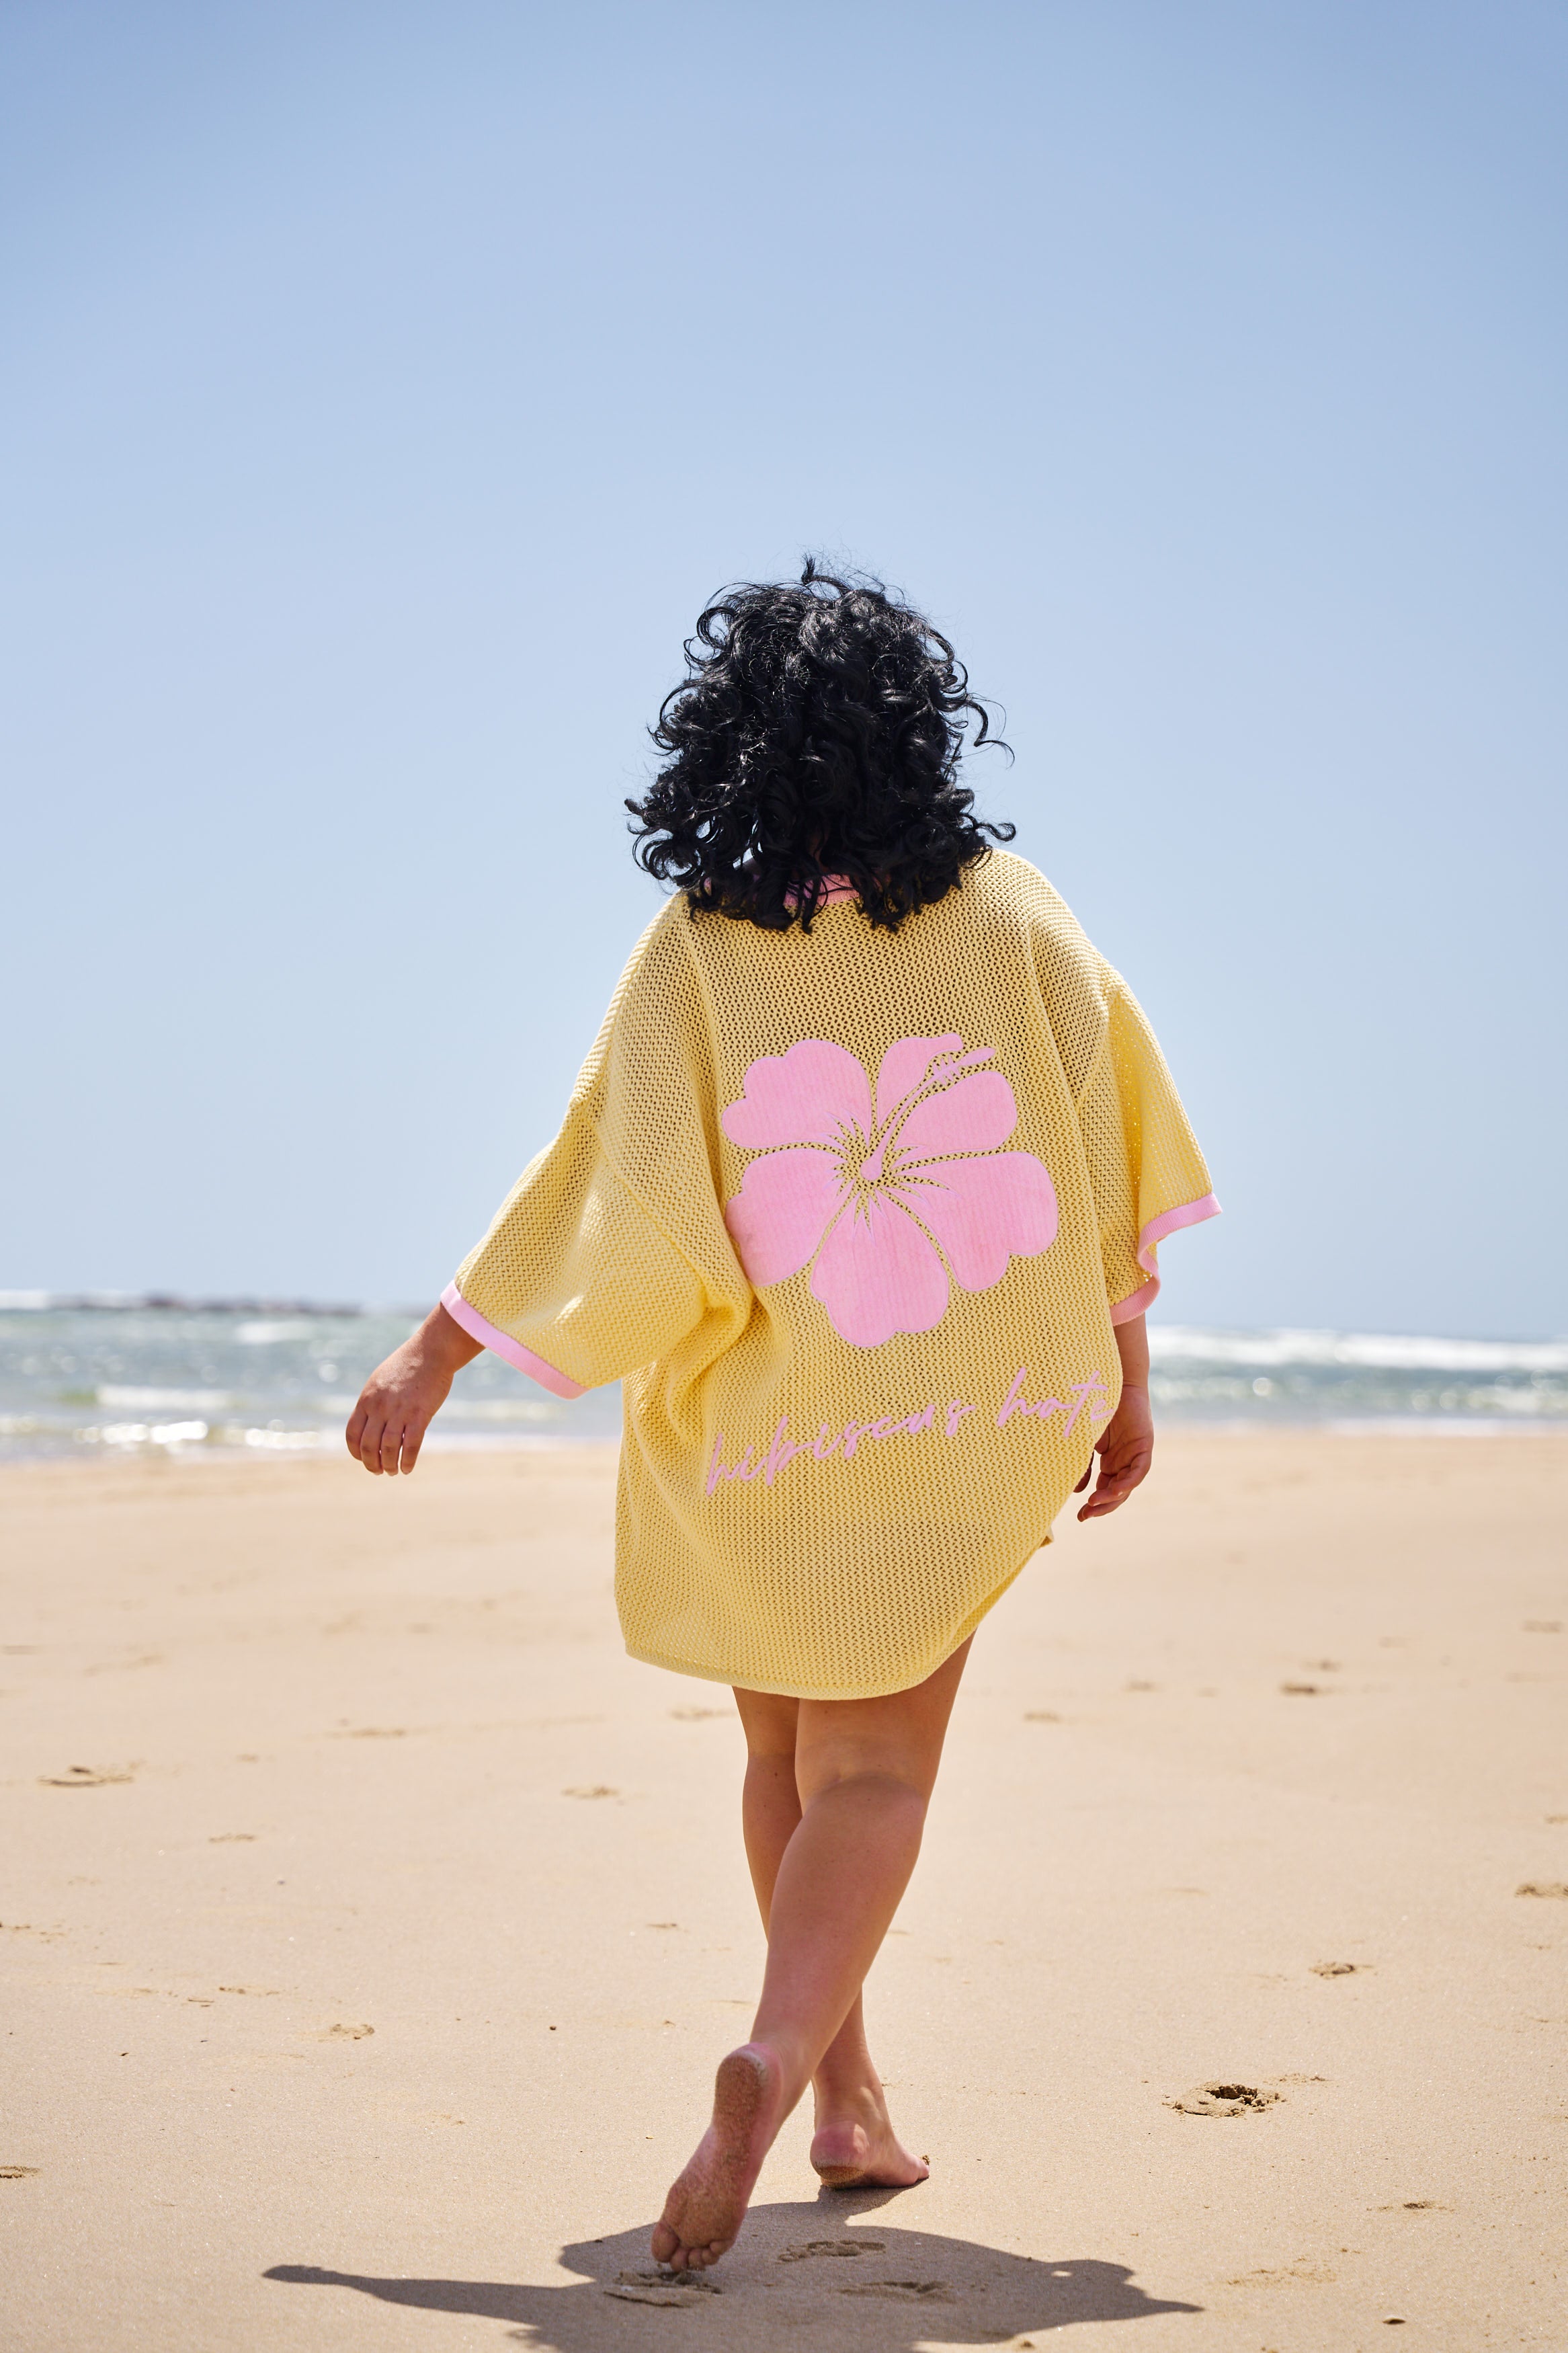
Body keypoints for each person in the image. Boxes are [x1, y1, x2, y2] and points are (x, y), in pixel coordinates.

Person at [345, 562, 1218, 2272]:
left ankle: (834, 2090)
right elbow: (1100, 1144)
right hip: (957, 1410)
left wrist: (435, 1352)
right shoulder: (1014, 913)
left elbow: (606, 1177)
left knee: (781, 1760)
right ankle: (802, 2072)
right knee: (874, 1770)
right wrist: (1129, 1374)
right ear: (918, 732)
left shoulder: (699, 946)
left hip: (772, 1423)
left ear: (728, 744)